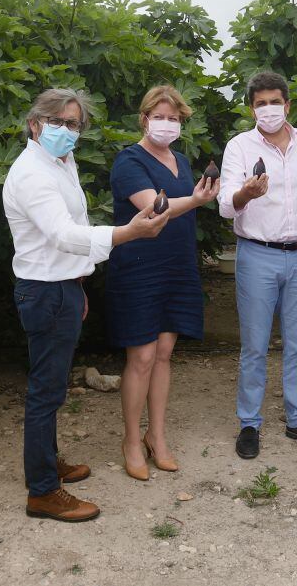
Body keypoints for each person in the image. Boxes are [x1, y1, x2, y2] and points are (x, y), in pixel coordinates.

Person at [3, 88, 170, 522]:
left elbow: (73, 228)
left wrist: (78, 286)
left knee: (52, 387)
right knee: (45, 392)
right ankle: (42, 492)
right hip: (46, 290)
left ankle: (46, 462)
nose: (66, 130)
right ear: (34, 124)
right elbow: (63, 235)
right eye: (56, 121)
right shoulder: (32, 174)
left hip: (62, 287)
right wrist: (127, 233)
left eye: (73, 123)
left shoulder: (60, 162)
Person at [218, 71, 297, 460]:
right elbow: (225, 206)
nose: (268, 109)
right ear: (251, 108)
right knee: (254, 346)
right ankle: (249, 423)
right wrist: (245, 194)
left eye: (275, 102)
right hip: (257, 254)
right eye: (260, 103)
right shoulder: (239, 146)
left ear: (287, 104)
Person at [106, 85, 219, 481]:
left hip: (177, 266)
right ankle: (131, 441)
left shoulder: (181, 160)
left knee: (165, 354)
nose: (167, 124)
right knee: (141, 357)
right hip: (139, 267)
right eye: (160, 116)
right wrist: (198, 200)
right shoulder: (128, 161)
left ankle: (156, 435)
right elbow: (155, 208)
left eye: (174, 118)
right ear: (144, 119)